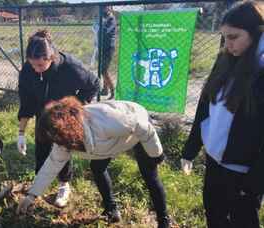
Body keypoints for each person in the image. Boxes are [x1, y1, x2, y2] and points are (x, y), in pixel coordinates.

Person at [17, 97, 170, 227]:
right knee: (97, 167)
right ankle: (111, 210)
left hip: (137, 131)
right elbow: (51, 166)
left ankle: (164, 221)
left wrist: (157, 154)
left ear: (66, 130)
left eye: (56, 139)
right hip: (107, 144)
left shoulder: (105, 120)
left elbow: (142, 127)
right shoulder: (63, 140)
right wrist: (32, 195)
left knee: (149, 175)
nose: (56, 144)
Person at [181, 1, 264, 227]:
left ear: (257, 33)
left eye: (234, 37)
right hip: (214, 161)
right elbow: (204, 106)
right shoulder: (225, 58)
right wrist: (190, 149)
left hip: (243, 172)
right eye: (224, 37)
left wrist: (254, 184)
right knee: (214, 216)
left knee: (243, 221)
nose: (227, 44)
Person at [17, 30, 100, 208]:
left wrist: (76, 107)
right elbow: (26, 102)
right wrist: (21, 133)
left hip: (64, 116)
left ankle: (64, 184)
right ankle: (39, 185)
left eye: (39, 65)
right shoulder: (28, 70)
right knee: (41, 148)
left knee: (62, 148)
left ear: (51, 58)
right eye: (32, 65)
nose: (35, 69)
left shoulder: (70, 68)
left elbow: (93, 84)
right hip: (43, 115)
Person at [99, 6, 117, 100]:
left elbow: (105, 31)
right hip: (102, 46)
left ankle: (112, 90)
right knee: (102, 69)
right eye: (103, 8)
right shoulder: (104, 18)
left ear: (109, 9)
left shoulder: (111, 19)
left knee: (103, 70)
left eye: (105, 8)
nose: (103, 10)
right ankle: (105, 89)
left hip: (109, 47)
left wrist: (100, 25)